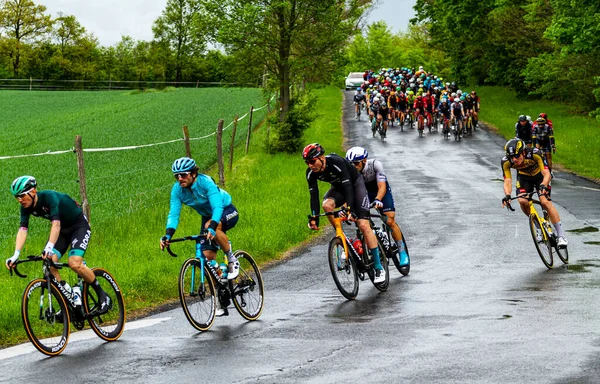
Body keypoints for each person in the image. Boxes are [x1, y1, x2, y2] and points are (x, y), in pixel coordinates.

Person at [5, 176, 112, 315]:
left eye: (21, 195)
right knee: (49, 263)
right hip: (62, 232)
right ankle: (69, 299)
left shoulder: (49, 197)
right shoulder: (25, 207)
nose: (19, 200)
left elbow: (56, 224)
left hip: (78, 226)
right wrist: (15, 254)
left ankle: (103, 296)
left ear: (33, 192)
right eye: (16, 197)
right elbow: (22, 230)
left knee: (74, 263)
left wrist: (49, 247)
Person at [303, 143, 386, 283]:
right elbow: (314, 195)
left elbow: (349, 187)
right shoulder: (310, 173)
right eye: (307, 162)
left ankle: (378, 267)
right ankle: (342, 239)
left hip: (354, 185)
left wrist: (351, 210)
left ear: (322, 157)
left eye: (312, 161)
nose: (310, 165)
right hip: (338, 188)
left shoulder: (336, 162)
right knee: (327, 205)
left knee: (363, 225)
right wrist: (314, 218)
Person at [160, 157, 240, 284]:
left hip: (226, 210)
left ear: (193, 173)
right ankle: (220, 288)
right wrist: (168, 234)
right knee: (207, 259)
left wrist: (213, 225)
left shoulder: (206, 182)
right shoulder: (177, 190)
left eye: (183, 175)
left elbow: (217, 206)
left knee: (212, 225)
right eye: (177, 176)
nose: (180, 178)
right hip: (207, 216)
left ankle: (232, 259)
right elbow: (174, 214)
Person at [345, 147, 410, 268]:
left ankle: (402, 251)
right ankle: (374, 244)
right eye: (350, 164)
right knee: (363, 224)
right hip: (363, 193)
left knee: (389, 220)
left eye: (356, 163)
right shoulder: (349, 172)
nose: (353, 166)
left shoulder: (375, 165)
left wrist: (378, 199)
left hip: (379, 191)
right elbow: (348, 192)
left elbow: (381, 186)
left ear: (364, 160)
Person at [501, 139, 568, 248]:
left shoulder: (535, 153)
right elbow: (507, 180)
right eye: (511, 157)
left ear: (523, 152)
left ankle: (561, 236)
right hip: (524, 178)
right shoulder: (506, 162)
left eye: (517, 156)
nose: (514, 160)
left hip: (540, 177)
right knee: (522, 200)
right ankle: (538, 227)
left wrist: (544, 184)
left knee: (544, 201)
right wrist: (507, 195)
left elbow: (546, 173)